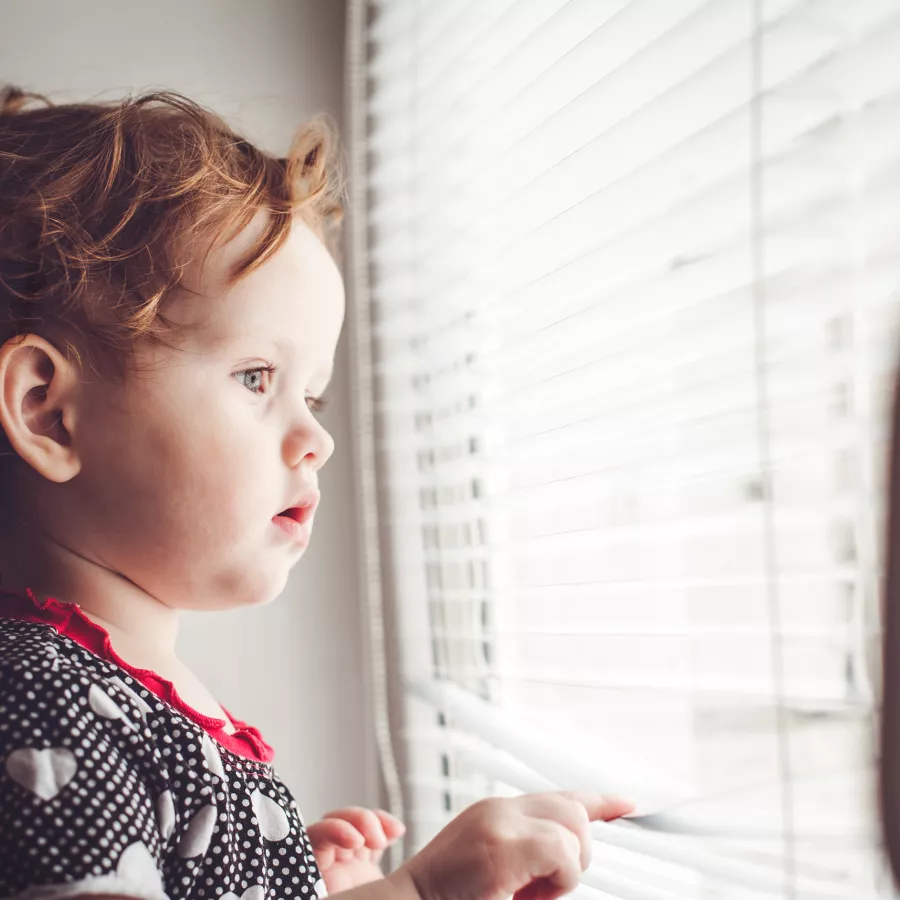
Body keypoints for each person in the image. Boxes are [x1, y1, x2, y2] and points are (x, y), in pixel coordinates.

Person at [0, 85, 632, 900]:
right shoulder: (42, 698)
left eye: (315, 396)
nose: (317, 439)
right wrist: (421, 893)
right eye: (257, 376)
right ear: (49, 412)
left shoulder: (114, 695)